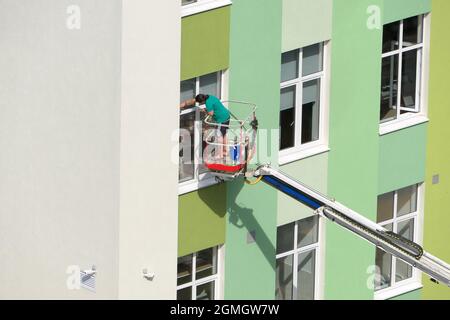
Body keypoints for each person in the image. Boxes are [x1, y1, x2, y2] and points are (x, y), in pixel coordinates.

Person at [180, 94, 230, 160]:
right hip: (226, 115)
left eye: (200, 103)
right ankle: (225, 151)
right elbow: (193, 100)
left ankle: (219, 155)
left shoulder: (208, 103)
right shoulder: (210, 96)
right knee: (224, 134)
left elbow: (211, 113)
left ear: (202, 101)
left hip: (221, 119)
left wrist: (205, 110)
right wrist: (182, 105)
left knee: (219, 136)